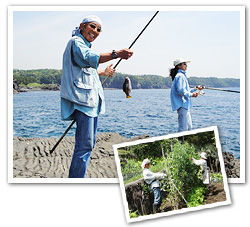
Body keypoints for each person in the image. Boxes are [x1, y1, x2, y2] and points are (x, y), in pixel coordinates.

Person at [60, 15, 133, 178]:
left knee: (88, 144)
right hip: (84, 102)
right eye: (92, 26)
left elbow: (85, 68)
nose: (95, 31)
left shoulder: (84, 46)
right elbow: (87, 58)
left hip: (90, 102)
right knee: (84, 146)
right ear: (82, 26)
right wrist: (116, 54)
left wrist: (103, 72)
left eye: (99, 29)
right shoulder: (75, 43)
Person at [170, 58, 203, 132]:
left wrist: (195, 89)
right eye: (184, 64)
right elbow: (181, 91)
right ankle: (180, 143)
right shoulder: (180, 76)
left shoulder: (181, 76)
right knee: (183, 128)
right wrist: (192, 95)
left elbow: (185, 90)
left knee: (189, 127)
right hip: (182, 105)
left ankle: (184, 142)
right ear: (179, 66)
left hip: (185, 106)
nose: (186, 65)